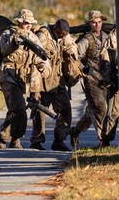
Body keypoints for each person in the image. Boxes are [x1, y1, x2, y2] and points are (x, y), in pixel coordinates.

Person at [0, 9, 49, 149]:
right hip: (9, 77)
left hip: (23, 78)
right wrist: (15, 41)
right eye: (26, 22)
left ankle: (4, 139)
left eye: (31, 23)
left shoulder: (33, 37)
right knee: (18, 108)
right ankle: (15, 139)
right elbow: (4, 50)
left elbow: (40, 55)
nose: (29, 25)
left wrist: (44, 67)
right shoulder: (8, 34)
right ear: (19, 21)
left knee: (14, 109)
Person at [70, 10, 118, 149]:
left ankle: (75, 131)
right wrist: (83, 68)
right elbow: (75, 56)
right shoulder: (86, 40)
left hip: (107, 79)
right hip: (92, 79)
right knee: (100, 108)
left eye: (99, 22)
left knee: (93, 111)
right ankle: (104, 140)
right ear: (90, 24)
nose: (97, 25)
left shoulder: (108, 37)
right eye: (94, 22)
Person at [30, 19, 81, 151]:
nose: (63, 37)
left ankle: (59, 139)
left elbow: (74, 49)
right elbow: (36, 57)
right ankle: (37, 140)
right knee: (41, 112)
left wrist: (70, 48)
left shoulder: (64, 36)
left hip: (58, 81)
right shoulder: (43, 35)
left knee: (65, 110)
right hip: (44, 81)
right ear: (55, 29)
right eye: (61, 35)